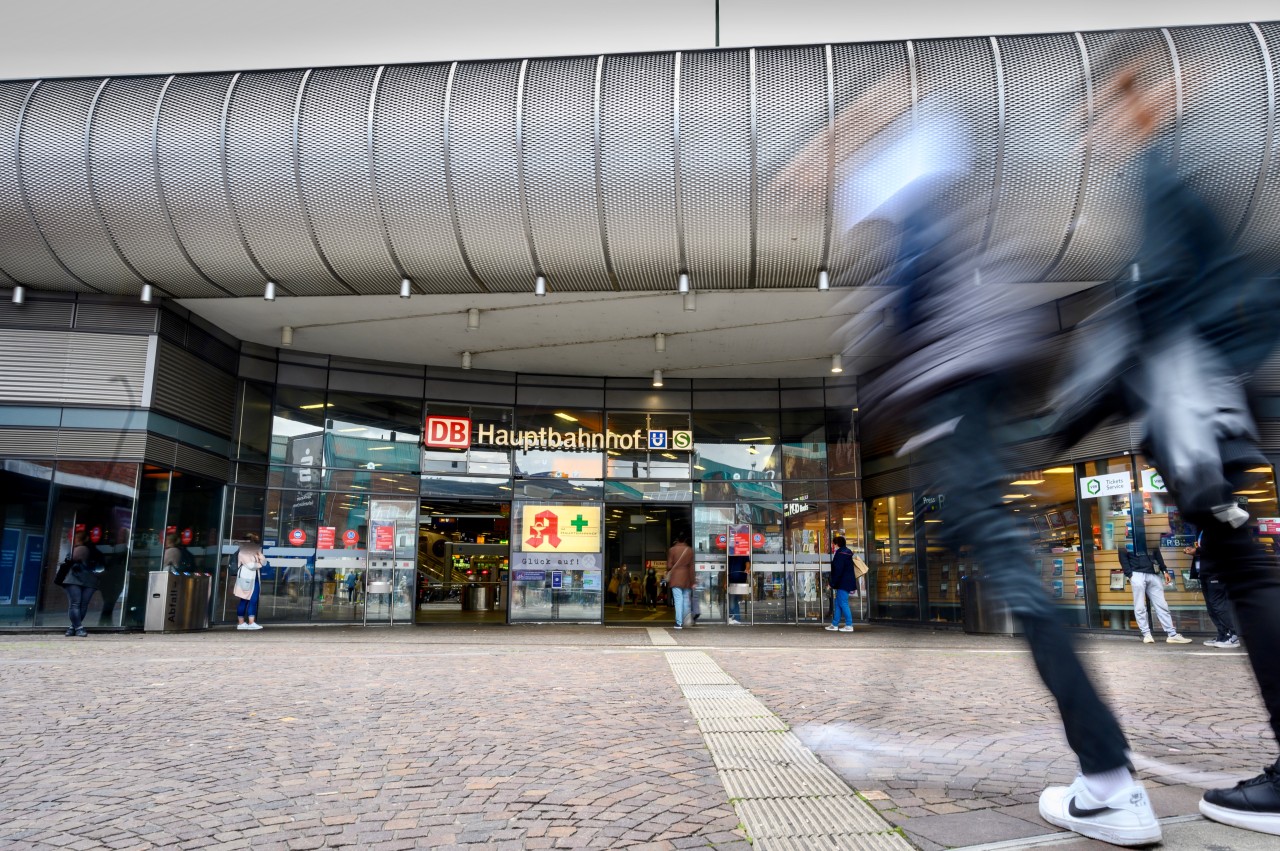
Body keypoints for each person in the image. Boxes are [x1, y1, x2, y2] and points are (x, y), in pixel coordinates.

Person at [1049, 48, 1280, 840]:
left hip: (1193, 411)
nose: (1094, 132)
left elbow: (1161, 299)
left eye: (1102, 112)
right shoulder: (1180, 173)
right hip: (1213, 399)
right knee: (1245, 570)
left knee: (1246, 574)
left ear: (1136, 102)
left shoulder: (1163, 175)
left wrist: (1089, 392)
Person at [1118, 545, 1191, 644]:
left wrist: (1164, 570)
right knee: (1140, 605)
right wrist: (1130, 575)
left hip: (1152, 573)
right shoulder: (1127, 536)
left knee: (1161, 604)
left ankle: (1171, 634)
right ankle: (1147, 634)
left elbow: (1157, 554)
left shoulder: (1148, 535)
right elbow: (1123, 557)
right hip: (1138, 573)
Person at [1186, 531, 1238, 648]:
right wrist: (1194, 550)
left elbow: (1216, 548)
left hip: (1216, 573)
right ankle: (1223, 635)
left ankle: (1233, 636)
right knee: (1211, 606)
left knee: (1218, 605)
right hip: (1205, 573)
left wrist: (1197, 551)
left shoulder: (1216, 529)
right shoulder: (1202, 531)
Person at [61, 531, 102, 637]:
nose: (74, 540)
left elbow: (71, 560)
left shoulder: (79, 549)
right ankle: (78, 627)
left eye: (76, 538)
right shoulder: (93, 550)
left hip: (78, 578)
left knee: (76, 604)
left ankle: (73, 627)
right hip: (86, 578)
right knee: (80, 604)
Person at [826, 536, 857, 633]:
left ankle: (849, 624)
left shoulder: (840, 554)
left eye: (833, 543)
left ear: (837, 544)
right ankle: (835, 624)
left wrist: (832, 583)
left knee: (843, 603)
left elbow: (838, 570)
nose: (833, 545)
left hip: (843, 583)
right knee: (838, 603)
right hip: (846, 582)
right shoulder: (847, 552)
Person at [666, 534, 694, 630]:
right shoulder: (689, 550)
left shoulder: (672, 550)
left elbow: (669, 566)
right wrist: (692, 581)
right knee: (686, 600)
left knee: (678, 601)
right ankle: (687, 621)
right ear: (685, 540)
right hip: (686, 578)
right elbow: (692, 568)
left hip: (675, 578)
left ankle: (679, 623)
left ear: (677, 540)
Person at [235, 539, 265, 631]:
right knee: (245, 600)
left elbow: (264, 562)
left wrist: (259, 555)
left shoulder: (254, 553)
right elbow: (251, 566)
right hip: (246, 580)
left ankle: (248, 622)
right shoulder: (243, 553)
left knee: (252, 600)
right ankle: (243, 623)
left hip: (254, 579)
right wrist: (259, 563)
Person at [726, 556, 749, 625]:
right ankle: (732, 616)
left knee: (733, 599)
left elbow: (747, 563)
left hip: (739, 581)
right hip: (732, 580)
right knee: (732, 598)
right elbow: (727, 569)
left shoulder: (743, 555)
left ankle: (736, 618)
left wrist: (747, 569)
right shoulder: (730, 556)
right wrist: (725, 581)